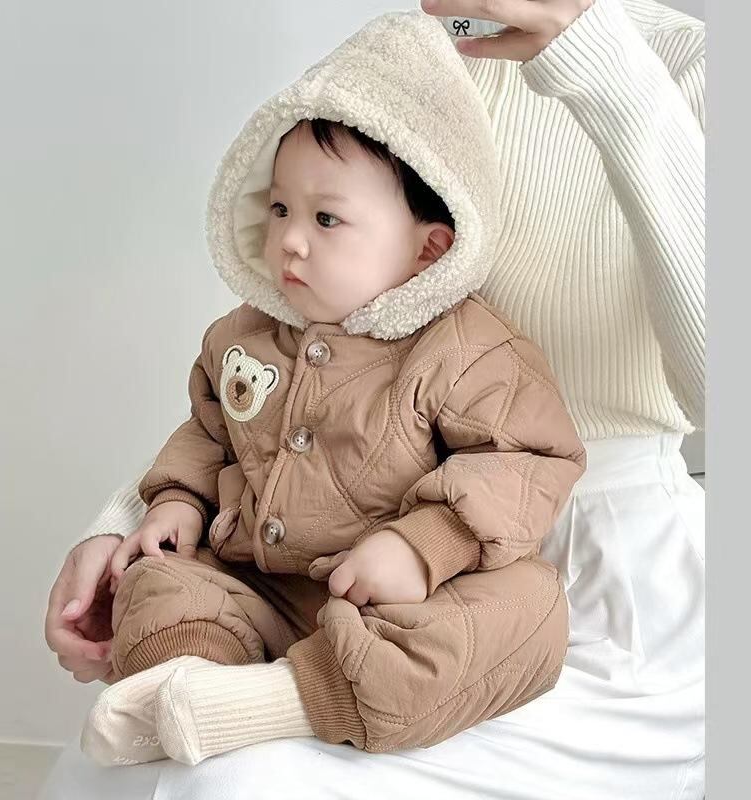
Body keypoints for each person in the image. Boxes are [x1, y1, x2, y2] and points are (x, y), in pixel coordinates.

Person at [42, 1, 705, 798]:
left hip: (580, 576)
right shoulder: (399, 70)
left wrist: (603, 66)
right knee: (111, 765)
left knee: (235, 783)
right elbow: (240, 420)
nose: (291, 238)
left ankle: (274, 699)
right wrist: (136, 519)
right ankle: (198, 683)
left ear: (433, 249)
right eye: (281, 210)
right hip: (306, 567)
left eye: (323, 217)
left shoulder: (690, 66)